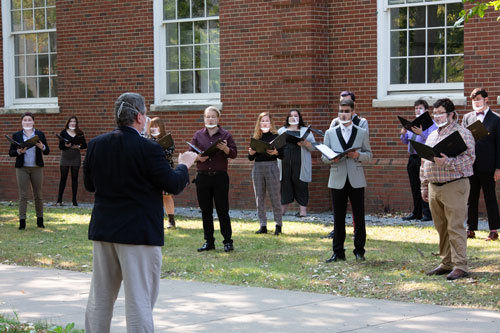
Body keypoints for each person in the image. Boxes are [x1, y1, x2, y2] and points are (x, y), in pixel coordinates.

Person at [83, 92, 197, 332]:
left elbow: (90, 186)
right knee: (139, 301)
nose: (146, 119)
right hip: (138, 234)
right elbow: (173, 184)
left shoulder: (96, 144)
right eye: (145, 115)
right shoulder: (148, 149)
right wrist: (184, 164)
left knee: (100, 298)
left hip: (104, 230)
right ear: (138, 116)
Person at [421, 98, 475, 281]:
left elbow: (470, 159)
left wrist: (448, 162)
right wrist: (424, 185)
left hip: (454, 185)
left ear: (451, 114)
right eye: (434, 113)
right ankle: (446, 263)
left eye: (440, 113)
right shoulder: (432, 135)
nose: (436, 117)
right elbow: (424, 161)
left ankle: (461, 266)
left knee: (455, 226)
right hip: (434, 186)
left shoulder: (463, 133)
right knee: (441, 227)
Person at [322, 99, 372, 262]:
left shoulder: (361, 132)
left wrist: (357, 155)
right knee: (338, 216)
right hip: (337, 178)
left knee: (359, 216)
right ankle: (338, 252)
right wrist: (332, 159)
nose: (343, 114)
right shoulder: (330, 133)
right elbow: (324, 157)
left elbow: (369, 155)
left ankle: (359, 251)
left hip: (356, 178)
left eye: (346, 111)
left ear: (353, 112)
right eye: (341, 111)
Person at [190, 106, 237, 253]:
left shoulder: (226, 135)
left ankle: (228, 241)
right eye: (207, 116)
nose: (210, 119)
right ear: (204, 118)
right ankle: (209, 241)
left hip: (220, 177)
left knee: (223, 210)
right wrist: (198, 157)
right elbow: (190, 154)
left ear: (218, 119)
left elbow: (234, 154)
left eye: (213, 116)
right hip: (203, 177)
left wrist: (225, 149)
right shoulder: (198, 135)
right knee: (206, 211)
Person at [462, 88, 500, 241]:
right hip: (471, 165)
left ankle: (494, 230)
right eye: (473, 100)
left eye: (478, 99)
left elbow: (499, 145)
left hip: (489, 166)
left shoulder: (496, 119)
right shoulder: (467, 118)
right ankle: (471, 229)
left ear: (486, 100)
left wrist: (498, 168)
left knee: (490, 197)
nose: (476, 102)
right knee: (471, 198)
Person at [8, 112, 50, 230]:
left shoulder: (39, 134)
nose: (27, 122)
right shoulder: (16, 135)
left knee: (38, 195)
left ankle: (40, 221)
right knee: (23, 195)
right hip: (22, 168)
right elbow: (11, 153)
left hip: (37, 168)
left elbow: (47, 151)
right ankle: (22, 222)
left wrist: (42, 147)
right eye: (25, 120)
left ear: (33, 122)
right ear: (22, 122)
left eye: (29, 120)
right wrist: (18, 152)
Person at [400, 100, 436, 221]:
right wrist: (403, 133)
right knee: (414, 185)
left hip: (424, 158)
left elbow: (432, 141)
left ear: (426, 110)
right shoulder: (413, 124)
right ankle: (417, 212)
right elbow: (406, 142)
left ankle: (428, 213)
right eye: (415, 108)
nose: (417, 110)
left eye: (420, 108)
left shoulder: (431, 124)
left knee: (424, 186)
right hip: (412, 158)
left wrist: (421, 133)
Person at [248, 112, 284, 235]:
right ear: (259, 123)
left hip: (272, 167)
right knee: (259, 198)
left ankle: (278, 225)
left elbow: (283, 155)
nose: (264, 123)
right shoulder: (256, 137)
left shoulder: (276, 136)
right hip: (258, 168)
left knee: (275, 197)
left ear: (271, 122)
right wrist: (251, 153)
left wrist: (276, 153)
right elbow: (250, 158)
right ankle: (263, 225)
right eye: (262, 121)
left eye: (267, 121)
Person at [278, 109, 316, 217]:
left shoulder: (305, 131)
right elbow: (275, 145)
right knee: (284, 185)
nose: (293, 117)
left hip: (300, 163)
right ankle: (282, 210)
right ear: (287, 118)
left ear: (299, 117)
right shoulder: (281, 130)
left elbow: (314, 147)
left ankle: (303, 211)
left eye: (296, 115)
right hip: (284, 163)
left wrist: (306, 144)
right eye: (291, 115)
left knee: (301, 184)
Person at [147, 117, 177, 229]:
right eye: (152, 127)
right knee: (153, 197)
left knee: (167, 197)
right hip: (150, 173)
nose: (154, 129)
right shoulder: (147, 140)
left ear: (161, 127)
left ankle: (171, 220)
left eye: (156, 126)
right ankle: (154, 220)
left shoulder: (167, 139)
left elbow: (168, 154)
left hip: (165, 171)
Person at [56, 116, 87, 206]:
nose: (73, 123)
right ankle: (59, 200)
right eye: (71, 121)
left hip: (75, 157)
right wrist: (66, 145)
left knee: (74, 179)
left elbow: (85, 145)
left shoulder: (79, 133)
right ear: (68, 123)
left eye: (74, 122)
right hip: (65, 157)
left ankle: (74, 200)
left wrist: (78, 146)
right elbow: (60, 147)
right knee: (63, 178)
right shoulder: (63, 132)